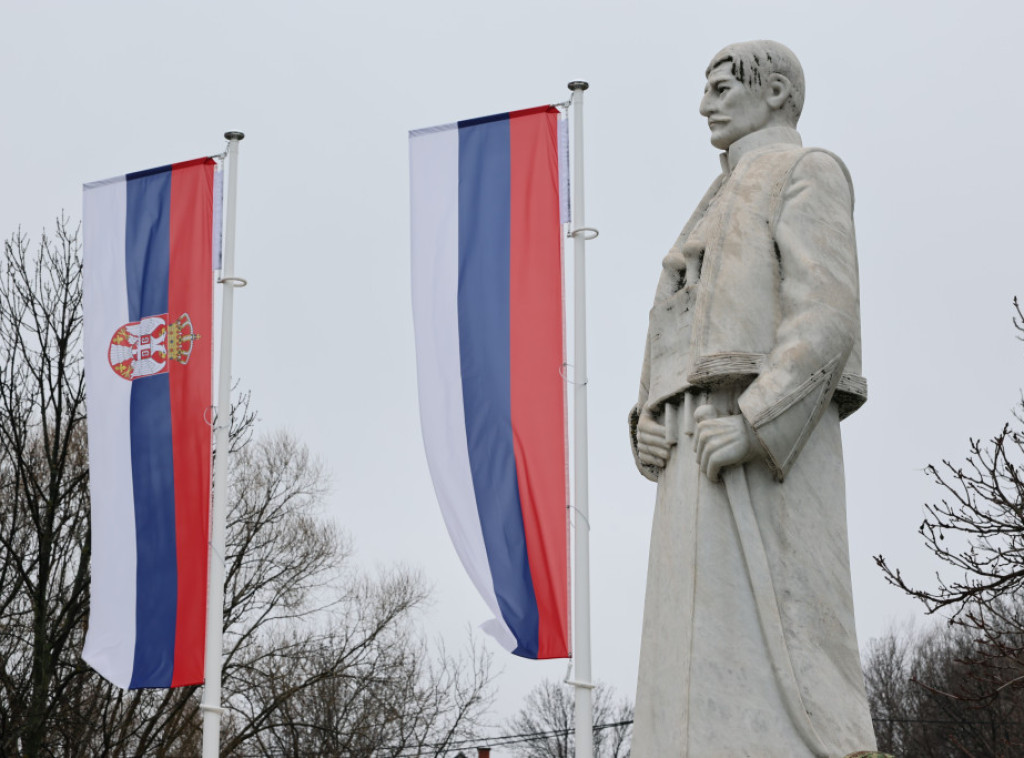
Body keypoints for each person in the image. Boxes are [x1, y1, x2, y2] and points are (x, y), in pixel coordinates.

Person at [628, 40, 877, 757]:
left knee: (770, 646)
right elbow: (673, 325)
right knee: (679, 658)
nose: (705, 104)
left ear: (773, 91)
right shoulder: (708, 202)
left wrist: (757, 421)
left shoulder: (808, 170)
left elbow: (826, 316)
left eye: (720, 87)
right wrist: (643, 417)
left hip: (759, 443)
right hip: (685, 450)